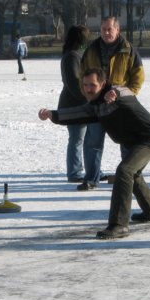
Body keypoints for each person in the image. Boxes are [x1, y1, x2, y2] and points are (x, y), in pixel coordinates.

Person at [39, 68, 150, 239]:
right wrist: (52, 114)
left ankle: (119, 225)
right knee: (132, 174)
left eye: (93, 85)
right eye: (85, 85)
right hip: (132, 142)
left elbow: (125, 91)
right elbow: (76, 113)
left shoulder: (117, 93)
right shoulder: (95, 107)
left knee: (125, 171)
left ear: (103, 84)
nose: (88, 89)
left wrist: (114, 94)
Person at [80, 16, 145, 190]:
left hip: (120, 104)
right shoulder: (91, 50)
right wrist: (89, 95)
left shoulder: (128, 50)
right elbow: (82, 75)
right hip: (97, 104)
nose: (106, 33)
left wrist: (125, 95)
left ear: (118, 30)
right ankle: (91, 179)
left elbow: (138, 77)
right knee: (93, 142)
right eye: (103, 29)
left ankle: (128, 177)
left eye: (110, 29)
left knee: (126, 142)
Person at [58, 25, 104, 185]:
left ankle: (93, 170)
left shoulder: (79, 54)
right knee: (77, 138)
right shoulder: (71, 56)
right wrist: (88, 98)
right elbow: (73, 83)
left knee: (89, 139)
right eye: (86, 35)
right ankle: (74, 172)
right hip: (74, 105)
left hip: (84, 104)